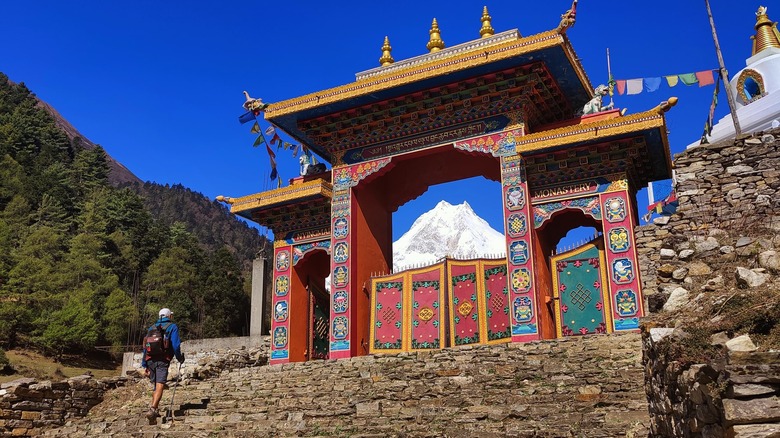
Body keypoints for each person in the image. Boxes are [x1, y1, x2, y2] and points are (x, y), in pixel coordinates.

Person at [141, 307, 184, 423]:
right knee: (160, 384)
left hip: (150, 360)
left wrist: (144, 364)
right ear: (169, 316)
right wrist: (180, 358)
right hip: (162, 360)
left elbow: (145, 347)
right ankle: (153, 409)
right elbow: (175, 345)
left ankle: (155, 411)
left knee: (156, 385)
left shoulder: (152, 328)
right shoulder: (172, 327)